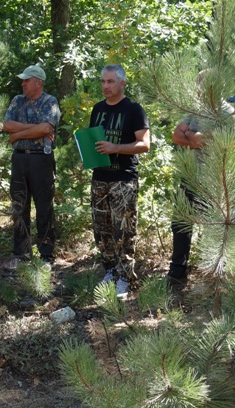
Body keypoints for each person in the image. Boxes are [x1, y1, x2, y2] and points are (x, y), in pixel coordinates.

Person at [165, 78, 235, 290]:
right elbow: (177, 136)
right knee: (180, 224)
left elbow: (208, 141)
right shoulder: (196, 109)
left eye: (200, 84)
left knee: (210, 229)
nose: (196, 88)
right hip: (190, 176)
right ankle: (177, 273)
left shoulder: (226, 113)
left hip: (212, 179)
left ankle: (211, 279)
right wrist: (191, 136)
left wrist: (190, 134)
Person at [89, 64, 151, 298]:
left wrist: (116, 148)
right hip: (99, 177)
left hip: (123, 179)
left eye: (111, 82)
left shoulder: (133, 109)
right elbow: (93, 140)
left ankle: (125, 278)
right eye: (103, 81)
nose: (106, 86)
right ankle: (110, 271)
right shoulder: (97, 109)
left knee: (123, 230)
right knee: (102, 228)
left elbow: (144, 144)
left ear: (122, 83)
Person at [0, 65, 61, 269]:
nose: (23, 83)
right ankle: (21, 253)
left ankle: (46, 255)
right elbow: (7, 125)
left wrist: (18, 134)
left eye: (27, 80)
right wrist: (34, 130)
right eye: (23, 80)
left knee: (44, 207)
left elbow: (46, 127)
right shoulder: (17, 100)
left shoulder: (49, 102)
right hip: (20, 160)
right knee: (19, 206)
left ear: (39, 82)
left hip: (41, 160)